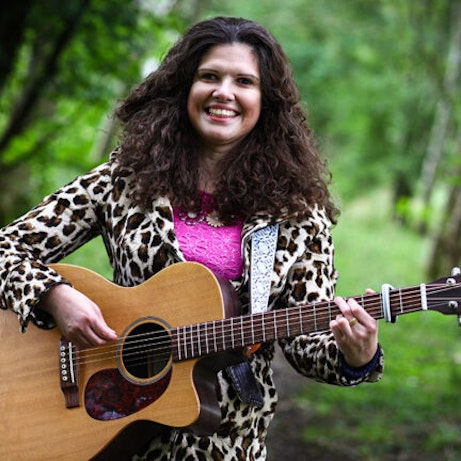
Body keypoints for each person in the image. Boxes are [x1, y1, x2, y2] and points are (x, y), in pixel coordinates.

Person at [0, 16, 383, 461]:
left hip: (227, 443)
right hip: (107, 432)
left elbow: (304, 342)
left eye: (244, 81)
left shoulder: (296, 214)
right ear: (185, 87)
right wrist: (54, 295)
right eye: (209, 76)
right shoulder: (124, 181)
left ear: (266, 102)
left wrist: (356, 355)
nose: (224, 92)